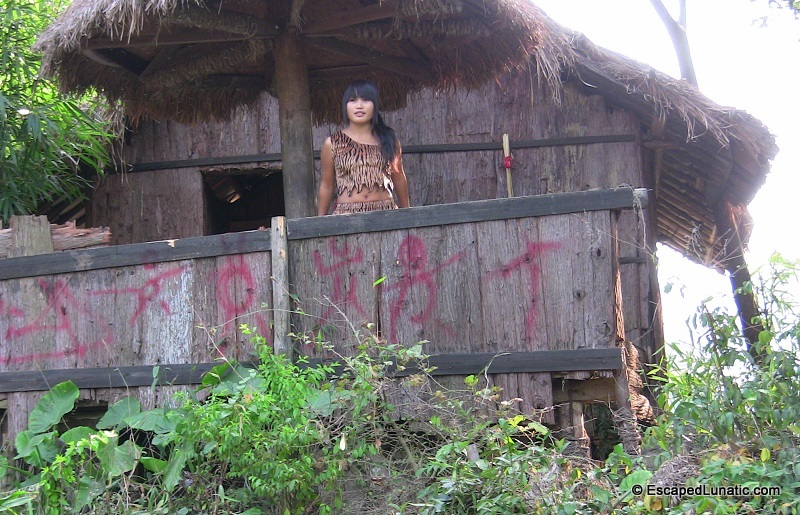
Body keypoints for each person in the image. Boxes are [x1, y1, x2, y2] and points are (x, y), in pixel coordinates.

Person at [317, 80, 410, 216]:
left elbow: (399, 177)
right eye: (353, 100)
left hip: (386, 214)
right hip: (346, 216)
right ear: (345, 106)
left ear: (374, 106)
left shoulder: (389, 139)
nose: (359, 106)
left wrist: (408, 214)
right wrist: (319, 221)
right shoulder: (332, 143)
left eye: (366, 100)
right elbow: (327, 185)